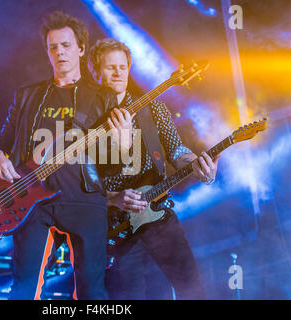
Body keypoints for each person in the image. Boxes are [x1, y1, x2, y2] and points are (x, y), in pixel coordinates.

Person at [0, 12, 133, 300]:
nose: (59, 52)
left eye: (66, 45)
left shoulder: (102, 96)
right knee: (23, 288)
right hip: (31, 202)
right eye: (53, 47)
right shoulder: (27, 96)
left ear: (80, 49)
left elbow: (113, 164)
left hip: (85, 200)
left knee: (92, 290)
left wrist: (125, 143)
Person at [88, 38, 221, 299]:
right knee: (127, 297)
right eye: (110, 67)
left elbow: (177, 151)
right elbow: (77, 183)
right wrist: (112, 199)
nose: (118, 72)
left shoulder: (154, 109)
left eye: (123, 66)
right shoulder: (85, 121)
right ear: (94, 72)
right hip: (113, 225)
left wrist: (196, 164)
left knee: (192, 290)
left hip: (157, 215)